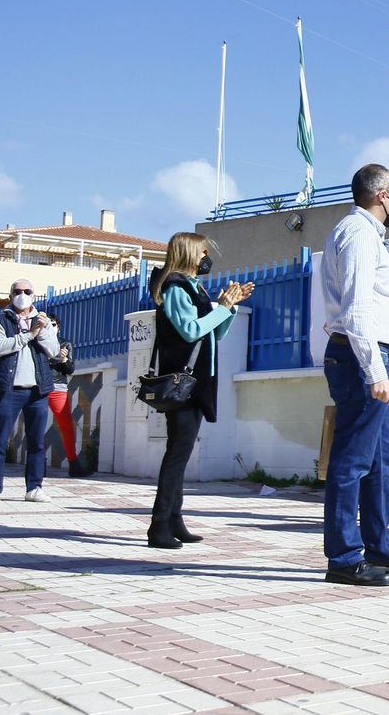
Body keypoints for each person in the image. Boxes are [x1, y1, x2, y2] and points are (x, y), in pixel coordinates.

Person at [319, 164, 389, 586]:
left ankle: (381, 547)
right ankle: (344, 558)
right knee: (352, 461)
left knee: (381, 461)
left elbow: (369, 298)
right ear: (382, 195)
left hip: (373, 352)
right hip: (361, 358)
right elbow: (356, 308)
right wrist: (373, 370)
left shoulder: (363, 236)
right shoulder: (360, 234)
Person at [146, 232, 250, 548]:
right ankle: (159, 526)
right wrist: (219, 308)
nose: (207, 256)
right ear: (190, 253)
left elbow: (213, 334)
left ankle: (174, 520)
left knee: (181, 452)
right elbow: (190, 330)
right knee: (177, 455)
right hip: (182, 385)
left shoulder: (194, 287)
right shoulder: (176, 288)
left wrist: (227, 308)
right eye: (203, 250)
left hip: (198, 383)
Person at [0, 279, 60, 505]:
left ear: (34, 296)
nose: (22, 294)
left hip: (37, 390)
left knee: (37, 442)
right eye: (17, 291)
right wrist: (28, 335)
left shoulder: (43, 321)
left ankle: (34, 487)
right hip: (8, 389)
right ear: (10, 294)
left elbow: (54, 351)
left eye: (27, 291)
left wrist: (41, 330)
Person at [44, 313, 93, 477]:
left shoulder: (65, 343)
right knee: (36, 425)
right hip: (39, 386)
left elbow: (70, 370)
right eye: (47, 324)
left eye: (54, 324)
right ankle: (38, 462)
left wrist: (63, 360)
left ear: (58, 327)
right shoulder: (37, 342)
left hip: (58, 387)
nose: (51, 327)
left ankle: (73, 463)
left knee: (66, 426)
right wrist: (55, 358)